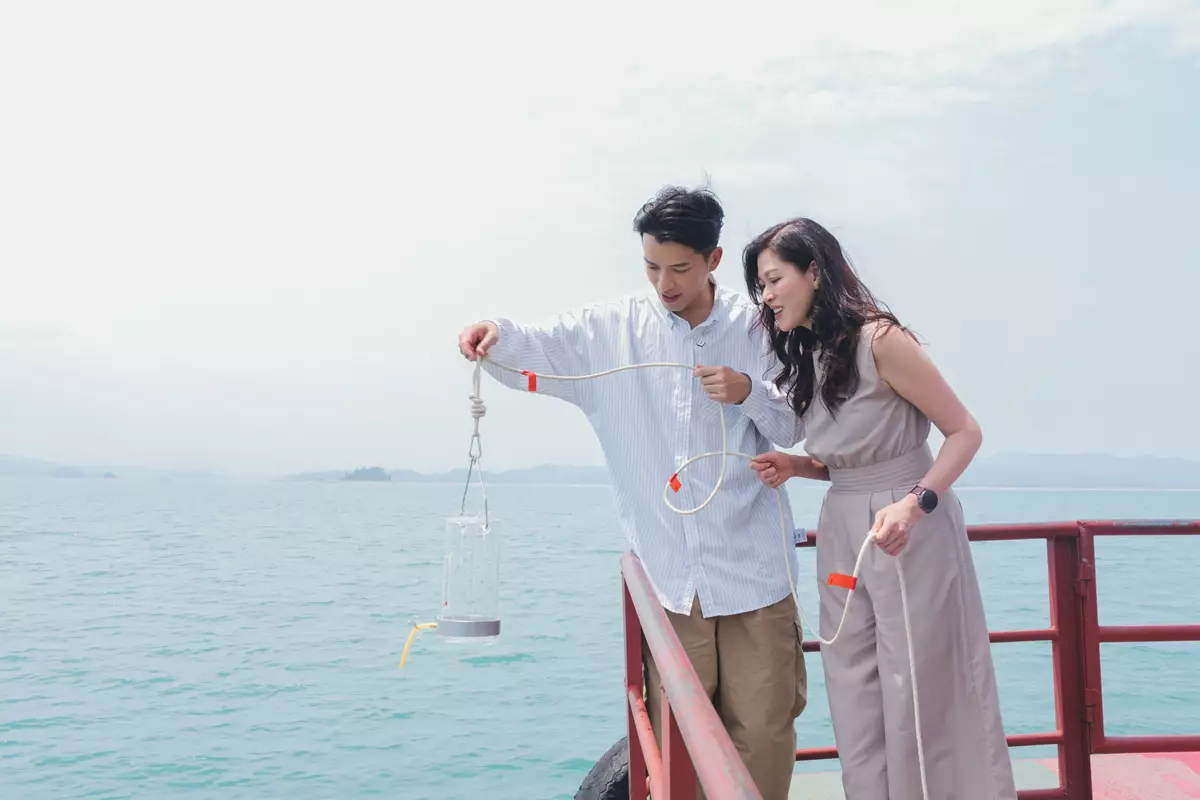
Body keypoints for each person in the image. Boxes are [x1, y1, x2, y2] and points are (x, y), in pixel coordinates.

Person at [456, 186, 823, 800]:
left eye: (680, 268)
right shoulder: (611, 329)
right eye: (652, 266)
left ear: (713, 259)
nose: (664, 283)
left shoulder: (759, 326)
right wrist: (494, 331)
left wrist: (747, 391)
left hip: (756, 572)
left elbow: (794, 426)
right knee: (678, 743)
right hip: (671, 579)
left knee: (763, 732)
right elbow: (535, 344)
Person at [716, 217, 1018, 799]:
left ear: (814, 272)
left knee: (917, 682)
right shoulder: (810, 352)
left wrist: (915, 505)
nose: (766, 296)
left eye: (775, 280)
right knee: (850, 677)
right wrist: (799, 465)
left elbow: (964, 431)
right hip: (843, 523)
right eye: (760, 286)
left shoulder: (881, 340)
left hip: (909, 527)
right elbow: (850, 459)